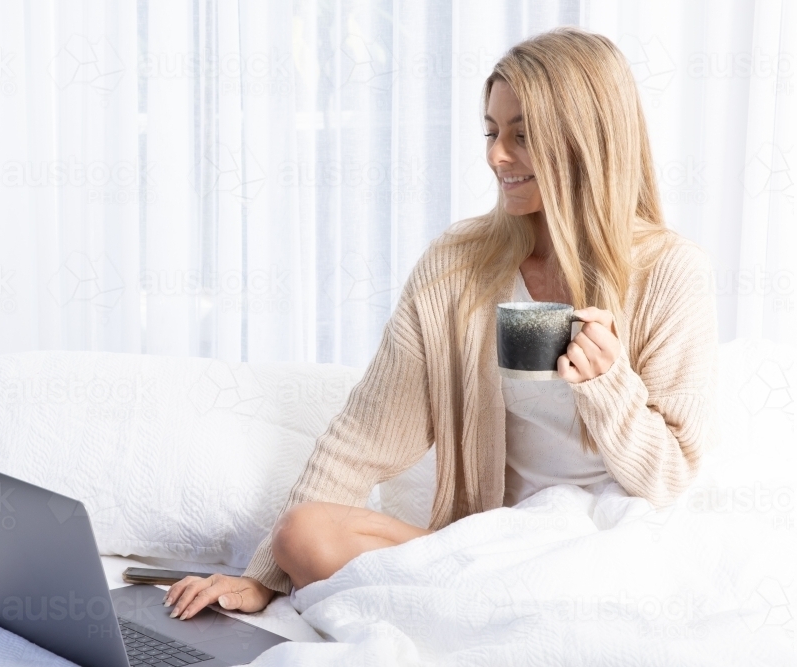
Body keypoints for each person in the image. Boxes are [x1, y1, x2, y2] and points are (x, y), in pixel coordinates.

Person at [163, 26, 719, 621]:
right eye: (491, 131)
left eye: (522, 136)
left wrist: (609, 385)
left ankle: (496, 610)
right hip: (495, 546)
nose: (496, 155)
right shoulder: (458, 265)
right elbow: (363, 437)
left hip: (610, 541)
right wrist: (262, 578)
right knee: (301, 536)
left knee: (569, 590)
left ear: (584, 139)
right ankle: (491, 608)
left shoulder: (671, 271)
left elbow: (667, 479)